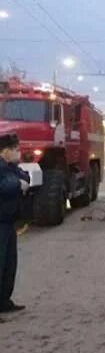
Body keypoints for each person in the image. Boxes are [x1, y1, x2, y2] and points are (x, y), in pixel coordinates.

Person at [0, 133, 29, 313]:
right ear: (5, 151)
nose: (19, 153)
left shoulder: (11, 167)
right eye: (16, 150)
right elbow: (5, 186)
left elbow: (26, 177)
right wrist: (18, 184)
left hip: (8, 221)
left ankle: (4, 301)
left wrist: (20, 181)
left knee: (9, 264)